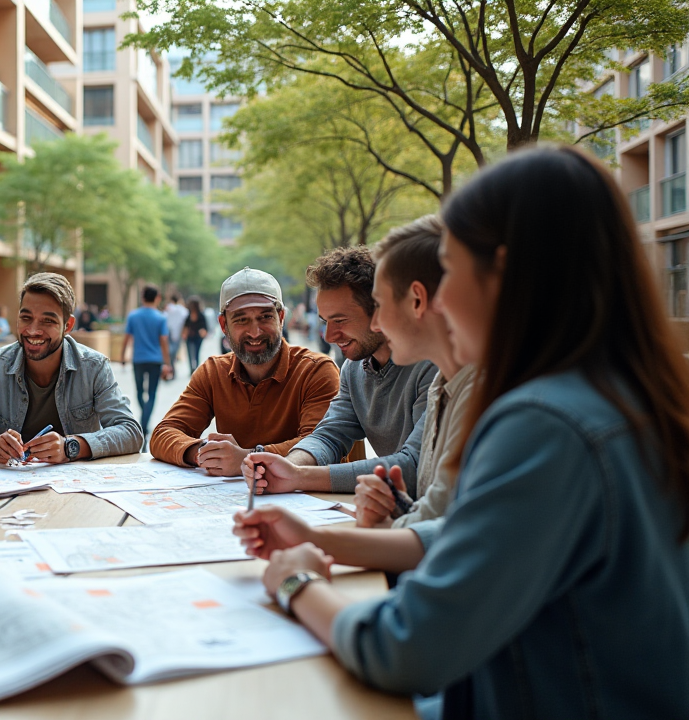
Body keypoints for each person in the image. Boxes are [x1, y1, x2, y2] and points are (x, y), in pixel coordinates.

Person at [233, 146, 689, 719]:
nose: (438, 302)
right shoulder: (607, 393)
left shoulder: (544, 425)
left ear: (505, 274)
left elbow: (407, 646)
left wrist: (297, 585)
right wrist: (319, 537)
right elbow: (470, 537)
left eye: (450, 270)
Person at [242, 247, 438, 496]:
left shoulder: (434, 364)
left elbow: (417, 466)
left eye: (340, 320)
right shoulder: (353, 368)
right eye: (325, 322)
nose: (329, 336)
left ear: (380, 311)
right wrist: (288, 466)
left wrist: (299, 477)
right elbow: (330, 435)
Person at [151, 269, 340, 476]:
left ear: (281, 318)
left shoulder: (316, 370)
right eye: (241, 320)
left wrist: (247, 458)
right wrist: (206, 453)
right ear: (223, 325)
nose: (255, 332)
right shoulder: (213, 372)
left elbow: (321, 444)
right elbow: (163, 434)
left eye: (265, 317)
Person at [353, 216, 475, 529]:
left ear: (417, 300)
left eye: (379, 305)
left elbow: (456, 534)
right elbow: (440, 513)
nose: (375, 324)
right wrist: (402, 509)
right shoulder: (442, 384)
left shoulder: (482, 392)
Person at [0, 272, 142, 463]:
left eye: (48, 321)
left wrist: (70, 447)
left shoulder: (94, 367)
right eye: (26, 318)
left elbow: (130, 431)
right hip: (10, 479)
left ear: (68, 325)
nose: (33, 330)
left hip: (75, 481)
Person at [122, 286, 173, 438]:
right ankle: (145, 423)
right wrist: (168, 363)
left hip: (138, 359)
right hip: (155, 360)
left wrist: (123, 356)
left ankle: (143, 420)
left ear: (142, 297)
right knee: (152, 393)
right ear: (157, 298)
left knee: (139, 391)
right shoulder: (161, 317)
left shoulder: (133, 316)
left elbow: (126, 338)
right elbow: (164, 341)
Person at [163, 293, 189, 375]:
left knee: (170, 351)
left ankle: (171, 367)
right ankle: (172, 368)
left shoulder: (168, 309)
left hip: (168, 332)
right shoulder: (182, 310)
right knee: (173, 351)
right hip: (178, 333)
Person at [182, 295, 209, 375]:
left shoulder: (201, 316)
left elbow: (205, 327)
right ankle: (191, 368)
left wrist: (203, 332)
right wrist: (184, 334)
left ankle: (196, 367)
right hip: (189, 337)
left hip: (198, 337)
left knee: (197, 352)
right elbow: (186, 326)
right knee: (189, 353)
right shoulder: (188, 315)